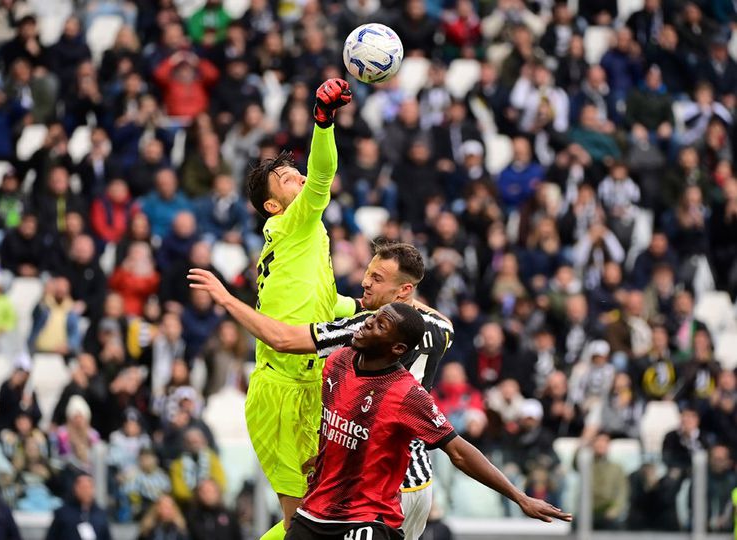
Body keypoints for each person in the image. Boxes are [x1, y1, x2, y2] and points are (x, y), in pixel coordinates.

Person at [190, 241, 454, 539]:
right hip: (418, 481)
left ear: (404, 290)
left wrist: (226, 300)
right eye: (368, 272)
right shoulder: (442, 327)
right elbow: (421, 313)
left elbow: (284, 340)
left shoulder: (365, 331)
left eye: (377, 278)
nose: (365, 281)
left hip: (377, 488)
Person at [276, 302, 568, 539]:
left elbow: (459, 452)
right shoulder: (339, 361)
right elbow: (339, 420)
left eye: (380, 324)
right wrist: (328, 455)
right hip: (315, 511)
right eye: (374, 317)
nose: (367, 322)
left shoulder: (406, 393)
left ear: (398, 349)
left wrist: (520, 497)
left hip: (366, 519)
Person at [233, 76, 352, 536]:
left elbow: (320, 299)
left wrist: (358, 306)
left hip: (306, 386)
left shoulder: (299, 237)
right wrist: (323, 122)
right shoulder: (296, 224)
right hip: (282, 391)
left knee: (320, 519)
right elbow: (323, 174)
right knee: (302, 524)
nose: (300, 179)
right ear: (272, 205)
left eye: (296, 173)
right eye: (287, 179)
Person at [46, 473, 111, 540]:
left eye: (88, 487)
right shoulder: (63, 514)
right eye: (82, 487)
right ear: (75, 488)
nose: (86, 491)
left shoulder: (100, 514)